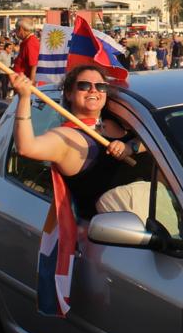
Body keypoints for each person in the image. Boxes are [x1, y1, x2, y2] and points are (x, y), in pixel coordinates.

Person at [10, 66, 143, 219]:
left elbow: (157, 142)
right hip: (108, 234)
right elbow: (26, 147)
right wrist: (25, 97)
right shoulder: (67, 137)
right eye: (84, 86)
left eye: (100, 86)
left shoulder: (119, 122)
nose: (93, 90)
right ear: (68, 93)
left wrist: (130, 147)